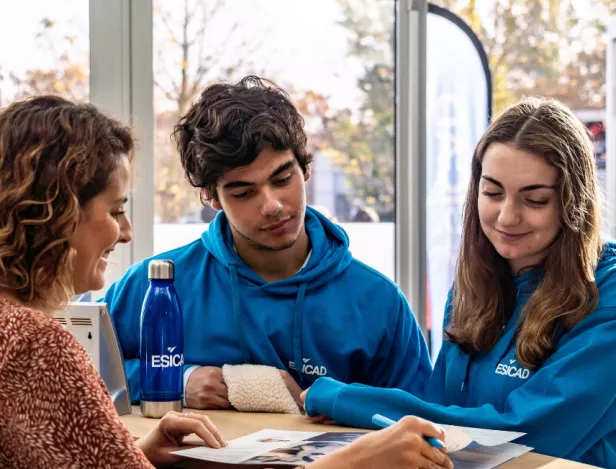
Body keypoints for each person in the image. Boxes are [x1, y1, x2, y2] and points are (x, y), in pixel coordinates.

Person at [303, 97, 616, 467]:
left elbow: (515, 436)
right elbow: (439, 423)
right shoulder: (477, 283)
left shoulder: (605, 295)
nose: (506, 216)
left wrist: (346, 400)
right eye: (493, 192)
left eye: (534, 200)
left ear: (572, 201)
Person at [104, 76, 431, 409]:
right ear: (211, 197)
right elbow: (79, 370)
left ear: (304, 168)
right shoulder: (155, 286)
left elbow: (422, 421)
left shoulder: (379, 302)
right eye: (245, 192)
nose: (272, 205)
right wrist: (178, 380)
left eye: (282, 178)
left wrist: (328, 401)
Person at [0, 95, 228, 468]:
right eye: (115, 210)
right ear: (57, 213)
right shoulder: (33, 343)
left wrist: (125, 452)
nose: (126, 232)